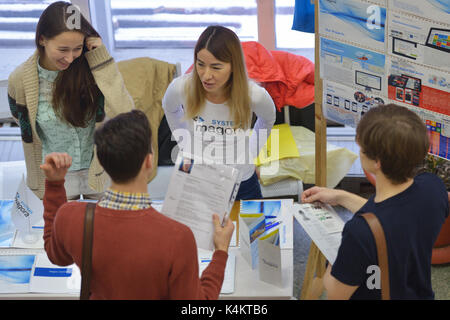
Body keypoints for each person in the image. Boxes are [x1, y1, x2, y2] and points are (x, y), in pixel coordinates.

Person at [41, 110, 234, 299]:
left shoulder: (70, 217)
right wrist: (221, 252)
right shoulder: (177, 238)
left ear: (101, 160)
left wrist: (55, 184)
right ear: (149, 162)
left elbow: (55, 254)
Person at [301, 104, 449, 300]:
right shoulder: (433, 189)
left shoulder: (359, 233)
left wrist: (329, 269)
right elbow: (391, 217)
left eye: (361, 148)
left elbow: (336, 293)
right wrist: (340, 197)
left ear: (377, 162)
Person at [7, 1, 134, 200]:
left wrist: (101, 57)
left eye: (77, 48)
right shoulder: (20, 79)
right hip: (57, 177)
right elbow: (23, 123)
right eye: (63, 49)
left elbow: (125, 113)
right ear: (42, 40)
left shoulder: (93, 66)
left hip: (100, 170)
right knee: (61, 230)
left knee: (106, 230)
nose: (70, 57)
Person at [162, 25, 276, 200]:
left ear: (233, 66)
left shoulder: (254, 95)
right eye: (200, 64)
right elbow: (170, 108)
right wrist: (186, 146)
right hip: (199, 180)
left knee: (252, 228)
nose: (206, 75)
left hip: (242, 183)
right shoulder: (182, 87)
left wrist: (251, 153)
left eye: (216, 67)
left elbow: (268, 120)